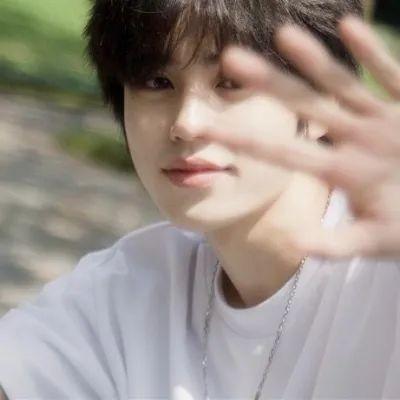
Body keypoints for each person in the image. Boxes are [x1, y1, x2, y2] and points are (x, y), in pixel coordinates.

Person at [1, 0, 399, 399]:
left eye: (231, 82)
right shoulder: (131, 289)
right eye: (156, 82)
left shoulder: (383, 280)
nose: (187, 123)